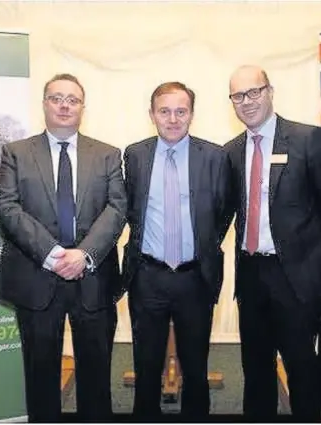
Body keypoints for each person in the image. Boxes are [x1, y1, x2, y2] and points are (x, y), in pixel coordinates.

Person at [0, 73, 127, 423]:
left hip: (93, 279)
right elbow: (7, 207)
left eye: (73, 99)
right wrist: (54, 255)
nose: (65, 105)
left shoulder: (109, 155)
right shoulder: (16, 153)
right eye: (57, 98)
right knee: (40, 378)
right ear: (44, 104)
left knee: (96, 378)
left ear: (83, 106)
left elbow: (117, 208)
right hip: (36, 278)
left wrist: (83, 255)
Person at [224, 65, 321, 422]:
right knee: (256, 370)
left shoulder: (308, 138)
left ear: (270, 91)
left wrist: (311, 258)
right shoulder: (231, 152)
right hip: (250, 275)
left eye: (253, 92)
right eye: (237, 96)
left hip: (295, 277)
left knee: (301, 368)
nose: (246, 102)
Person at [122, 81, 231, 419]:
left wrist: (204, 247)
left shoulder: (214, 156)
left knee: (196, 367)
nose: (172, 119)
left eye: (180, 111)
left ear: (192, 114)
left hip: (195, 278)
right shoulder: (135, 154)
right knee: (147, 366)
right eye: (164, 111)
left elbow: (223, 211)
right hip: (148, 276)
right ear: (151, 114)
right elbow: (130, 208)